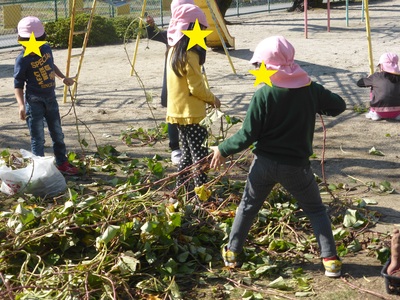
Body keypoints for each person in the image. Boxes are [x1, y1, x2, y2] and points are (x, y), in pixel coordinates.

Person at [210, 36, 346, 277]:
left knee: (248, 206)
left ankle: (232, 253)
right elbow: (338, 106)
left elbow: (247, 134)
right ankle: (330, 260)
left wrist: (222, 149)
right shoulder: (310, 89)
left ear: (267, 66)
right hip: (296, 167)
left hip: (263, 164)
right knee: (315, 210)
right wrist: (316, 103)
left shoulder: (264, 95)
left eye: (259, 65)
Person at [14, 16, 79, 176]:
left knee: (57, 132)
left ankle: (62, 162)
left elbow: (51, 65)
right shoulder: (22, 60)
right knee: (38, 138)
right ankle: (39, 169)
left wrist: (62, 77)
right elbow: (18, 84)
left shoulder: (46, 49)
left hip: (51, 99)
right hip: (33, 102)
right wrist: (21, 105)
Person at [166, 4, 221, 190]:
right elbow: (196, 87)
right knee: (201, 157)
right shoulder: (190, 53)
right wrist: (213, 99)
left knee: (188, 155)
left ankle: (179, 191)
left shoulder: (173, 50)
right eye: (201, 28)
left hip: (178, 113)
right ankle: (202, 197)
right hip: (193, 114)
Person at [145, 0, 195, 165]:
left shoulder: (196, 34)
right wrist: (151, 26)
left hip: (189, 83)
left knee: (190, 114)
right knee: (173, 116)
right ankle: (175, 148)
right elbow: (154, 35)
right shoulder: (172, 34)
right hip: (172, 83)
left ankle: (191, 147)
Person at [357, 52, 400, 121]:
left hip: (379, 110)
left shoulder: (376, 76)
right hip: (398, 111)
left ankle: (373, 112)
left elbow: (359, 83)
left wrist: (369, 77)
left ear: (382, 66)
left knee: (374, 87)